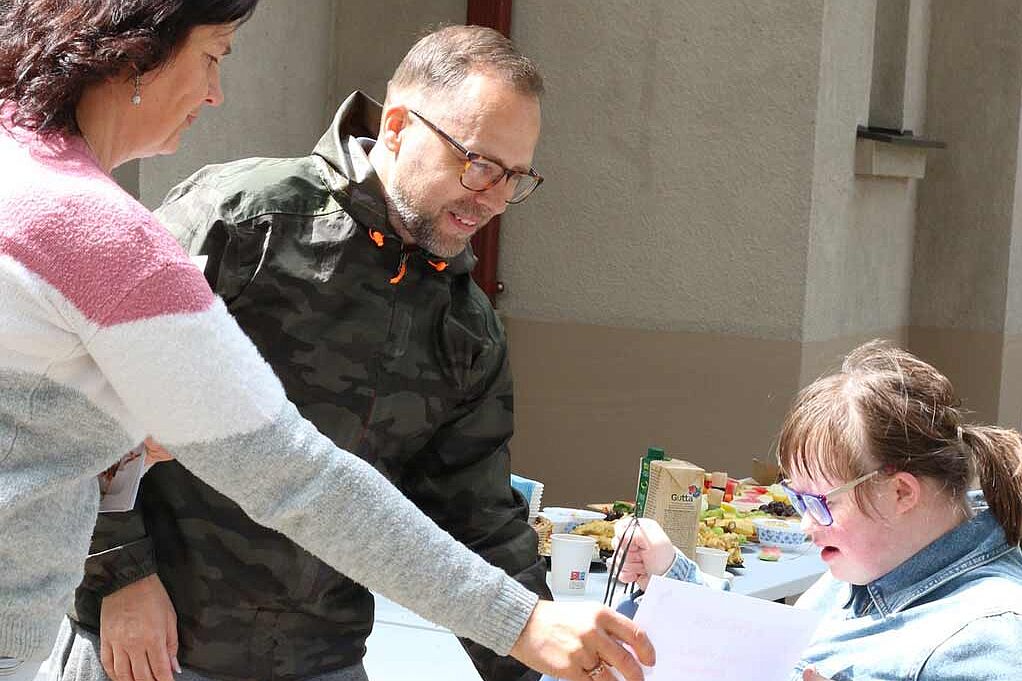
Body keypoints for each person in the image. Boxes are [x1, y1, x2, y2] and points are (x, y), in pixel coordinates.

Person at [0, 4, 656, 681]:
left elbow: (479, 514)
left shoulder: (465, 323)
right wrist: (118, 577)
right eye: (480, 164)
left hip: (319, 657)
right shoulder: (240, 220)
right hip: (155, 650)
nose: (493, 197)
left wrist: (546, 657)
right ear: (399, 127)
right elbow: (277, 471)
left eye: (516, 177)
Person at [612, 341, 1022, 681]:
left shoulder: (987, 639)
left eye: (821, 503)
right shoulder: (873, 563)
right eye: (797, 499)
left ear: (901, 492)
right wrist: (669, 574)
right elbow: (760, 652)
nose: (807, 525)